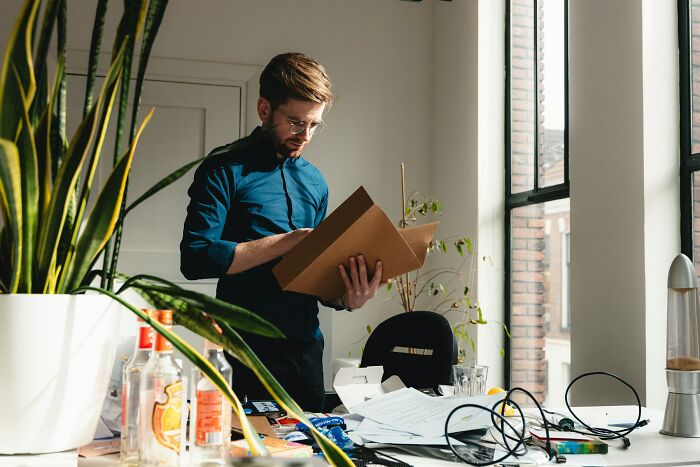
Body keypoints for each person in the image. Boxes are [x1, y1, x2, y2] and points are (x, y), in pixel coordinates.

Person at [180, 52, 384, 412]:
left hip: (305, 353)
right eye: (295, 122)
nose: (304, 135)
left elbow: (317, 280)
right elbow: (195, 256)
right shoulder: (223, 168)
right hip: (243, 351)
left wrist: (349, 298)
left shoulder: (316, 182)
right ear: (264, 109)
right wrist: (289, 242)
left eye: (314, 125)